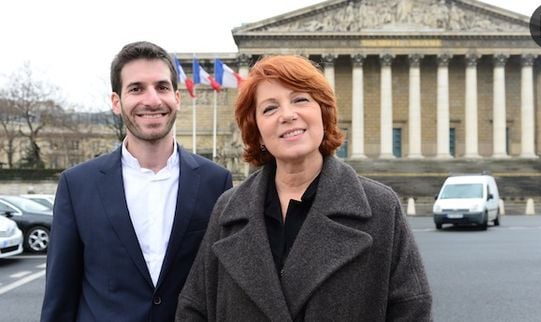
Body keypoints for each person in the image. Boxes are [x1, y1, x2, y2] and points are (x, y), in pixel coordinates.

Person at [175, 55, 432, 321]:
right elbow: (195, 308)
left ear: (323, 112)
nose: (287, 115)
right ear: (258, 132)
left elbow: (411, 310)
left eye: (300, 99)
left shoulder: (380, 207)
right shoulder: (228, 210)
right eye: (270, 109)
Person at [40, 41, 233, 322]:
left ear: (177, 98)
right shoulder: (77, 185)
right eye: (136, 88)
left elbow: (223, 287)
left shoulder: (216, 181)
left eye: (162, 87)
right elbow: (60, 295)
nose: (152, 100)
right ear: (116, 102)